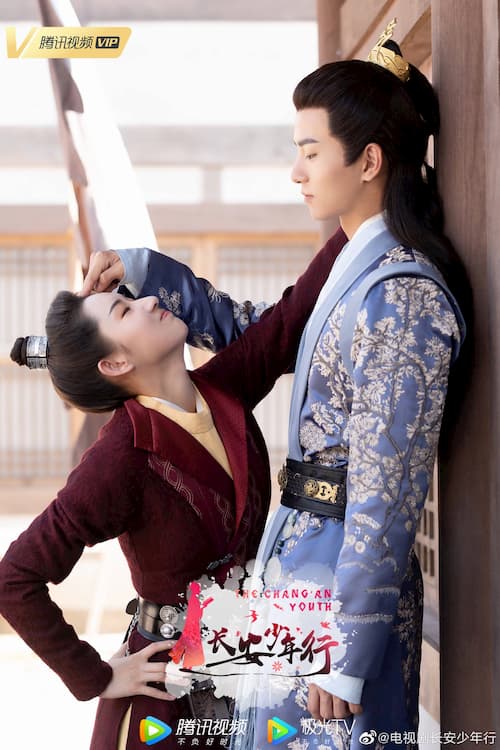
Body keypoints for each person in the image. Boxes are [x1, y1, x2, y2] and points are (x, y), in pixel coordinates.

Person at [80, 24, 469, 750]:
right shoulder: (355, 268)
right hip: (299, 562)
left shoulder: (401, 296)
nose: (296, 171)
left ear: (369, 161)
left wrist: (349, 652)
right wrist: (145, 269)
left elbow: (387, 491)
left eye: (311, 151)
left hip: (341, 588)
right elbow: (260, 331)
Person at [0, 232, 343, 750]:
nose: (148, 302)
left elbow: (291, 318)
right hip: (165, 701)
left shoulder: (222, 387)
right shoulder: (120, 455)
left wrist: (364, 214)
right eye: (125, 310)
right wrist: (95, 676)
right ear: (115, 364)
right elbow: (15, 577)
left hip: (248, 670)